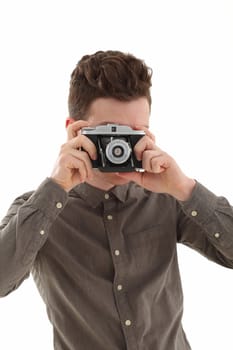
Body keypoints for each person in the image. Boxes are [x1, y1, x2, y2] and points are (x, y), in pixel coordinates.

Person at [0, 50, 232, 350]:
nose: (122, 148)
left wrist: (185, 188)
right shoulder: (38, 211)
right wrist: (55, 188)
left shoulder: (166, 198)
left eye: (134, 134)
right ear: (75, 130)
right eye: (111, 134)